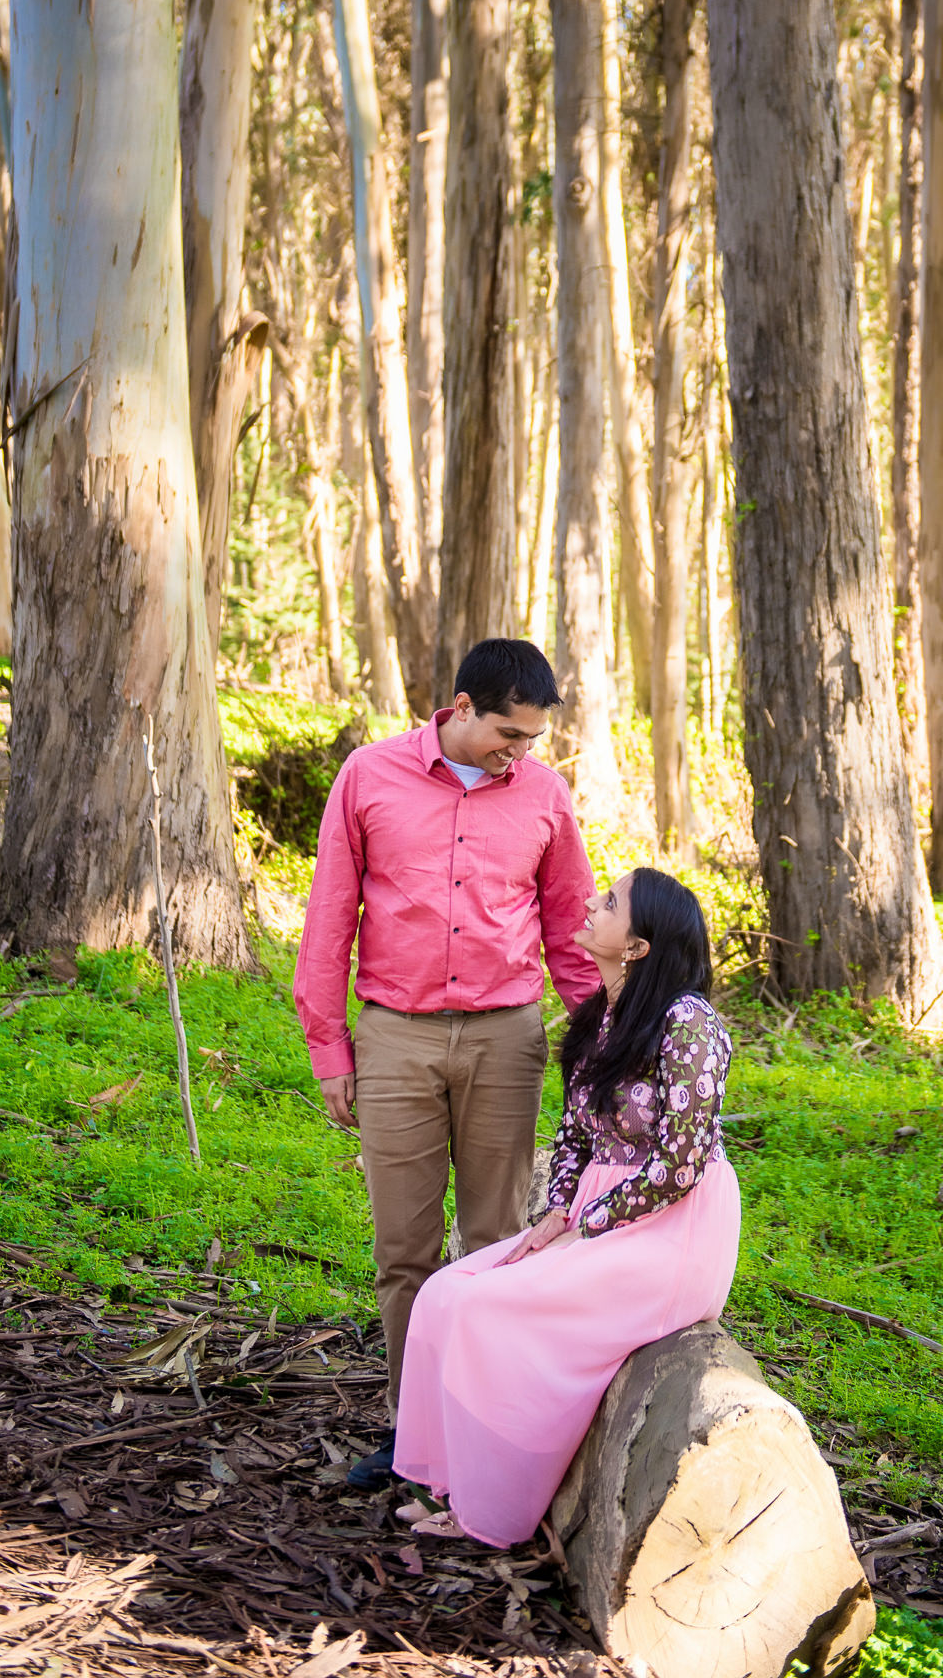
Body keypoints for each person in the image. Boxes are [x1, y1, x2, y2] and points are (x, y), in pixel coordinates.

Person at [294, 636, 599, 1490]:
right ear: (460, 709)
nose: (521, 752)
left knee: (497, 1241)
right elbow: (329, 916)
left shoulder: (543, 793)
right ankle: (412, 1428)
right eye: (509, 732)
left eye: (533, 738)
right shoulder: (369, 775)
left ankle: (489, 1431)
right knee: (405, 1250)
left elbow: (572, 927)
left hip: (507, 1039)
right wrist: (330, 1049)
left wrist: (604, 1045)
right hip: (396, 1039)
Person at [392, 867, 740, 1549]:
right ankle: (456, 1479)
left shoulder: (688, 1025)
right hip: (594, 1213)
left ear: (637, 945)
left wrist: (589, 1223)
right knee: (443, 1293)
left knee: (488, 1311)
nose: (589, 903)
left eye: (609, 903)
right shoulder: (599, 1016)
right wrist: (557, 1211)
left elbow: (680, 1164)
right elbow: (577, 1134)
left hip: (672, 1231)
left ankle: (492, 1512)